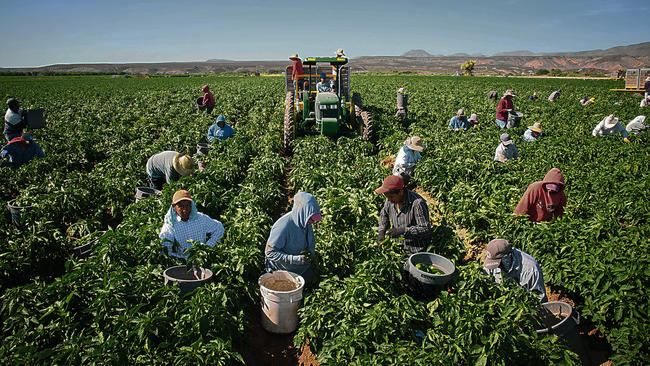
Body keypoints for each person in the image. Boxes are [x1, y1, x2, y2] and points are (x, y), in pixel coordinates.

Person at [265, 192, 322, 284]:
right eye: (311, 218)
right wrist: (296, 259)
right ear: (301, 212)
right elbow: (270, 252)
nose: (313, 222)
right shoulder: (283, 226)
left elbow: (310, 240)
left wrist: (311, 253)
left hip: (302, 268)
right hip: (284, 270)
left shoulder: (304, 221)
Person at [159, 190, 225, 260]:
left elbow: (219, 227)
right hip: (183, 263)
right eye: (181, 207)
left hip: (203, 259)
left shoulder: (200, 218)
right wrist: (181, 258)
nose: (185, 210)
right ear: (174, 207)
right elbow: (166, 247)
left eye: (187, 206)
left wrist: (208, 247)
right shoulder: (171, 224)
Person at [376, 175, 432, 254]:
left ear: (401, 192)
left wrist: (402, 230)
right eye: (387, 197)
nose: (389, 200)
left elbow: (425, 229)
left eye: (391, 197)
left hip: (415, 250)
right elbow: (383, 214)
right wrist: (381, 231)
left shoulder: (417, 203)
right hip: (399, 248)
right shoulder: (390, 199)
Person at [483, 239, 548, 303]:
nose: (497, 267)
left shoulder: (530, 270)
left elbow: (539, 299)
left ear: (508, 256)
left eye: (498, 262)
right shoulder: (492, 258)